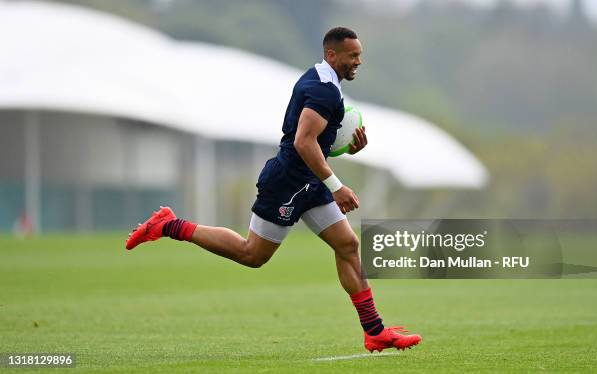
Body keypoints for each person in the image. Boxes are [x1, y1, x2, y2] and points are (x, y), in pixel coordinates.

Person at [126, 27, 421, 353]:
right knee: (251, 254)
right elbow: (303, 141)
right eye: (353, 56)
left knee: (348, 245)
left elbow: (314, 140)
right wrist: (336, 187)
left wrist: (347, 150)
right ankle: (169, 225)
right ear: (332, 55)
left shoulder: (323, 83)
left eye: (360, 55)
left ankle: (375, 331)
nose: (358, 62)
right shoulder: (324, 91)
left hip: (309, 181)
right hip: (289, 183)